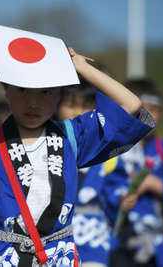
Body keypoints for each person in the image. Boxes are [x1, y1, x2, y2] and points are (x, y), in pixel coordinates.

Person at [0, 45, 155, 267]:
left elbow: (131, 106)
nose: (33, 103)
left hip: (60, 257)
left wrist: (81, 68)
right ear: (6, 88)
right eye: (23, 90)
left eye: (45, 92)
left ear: (59, 95)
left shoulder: (72, 137)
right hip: (6, 259)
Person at [103, 78, 163, 267]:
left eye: (154, 109)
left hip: (157, 245)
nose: (149, 115)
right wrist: (120, 199)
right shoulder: (112, 148)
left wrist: (156, 184)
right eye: (143, 108)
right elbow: (104, 185)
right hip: (119, 242)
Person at [56, 74, 114, 267]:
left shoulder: (108, 152)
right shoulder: (45, 148)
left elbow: (115, 197)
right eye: (71, 105)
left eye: (86, 105)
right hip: (54, 248)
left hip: (93, 245)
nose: (78, 113)